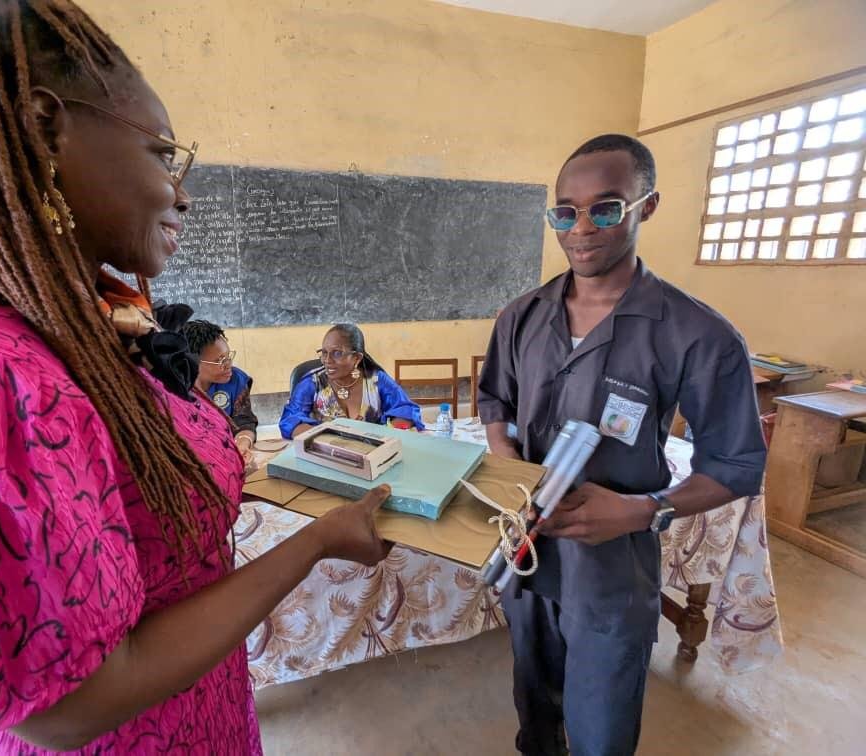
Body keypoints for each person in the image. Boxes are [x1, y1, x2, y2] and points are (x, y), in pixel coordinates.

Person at [0, 2, 391, 753]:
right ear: (48, 130)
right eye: (162, 155)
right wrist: (317, 541)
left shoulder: (55, 324)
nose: (183, 193)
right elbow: (71, 705)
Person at [478, 134, 767, 756]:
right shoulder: (522, 316)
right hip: (525, 553)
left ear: (647, 206)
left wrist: (643, 510)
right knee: (535, 707)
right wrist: (510, 466)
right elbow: (494, 403)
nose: (581, 229)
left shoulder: (698, 334)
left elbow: (737, 464)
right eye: (565, 211)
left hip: (611, 570)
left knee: (601, 725)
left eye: (605, 209)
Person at [279, 323, 424, 438]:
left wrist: (387, 436)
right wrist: (322, 440)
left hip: (371, 456)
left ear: (357, 358)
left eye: (337, 353)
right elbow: (290, 419)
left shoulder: (376, 380)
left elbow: (406, 410)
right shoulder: (312, 383)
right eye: (324, 353)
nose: (327, 361)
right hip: (327, 456)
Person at [182, 319, 257, 463]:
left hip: (226, 459)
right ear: (193, 362)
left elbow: (244, 422)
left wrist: (243, 442)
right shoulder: (174, 391)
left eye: (228, 357)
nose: (228, 365)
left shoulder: (236, 380)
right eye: (220, 361)